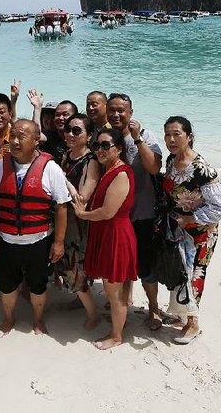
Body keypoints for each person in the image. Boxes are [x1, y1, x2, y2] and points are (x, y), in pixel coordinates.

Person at [0, 119, 70, 335]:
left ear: (36, 141)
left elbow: (62, 207)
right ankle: (8, 318)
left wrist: (59, 243)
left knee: (38, 285)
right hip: (6, 241)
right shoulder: (0, 166)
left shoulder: (50, 168)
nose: (14, 141)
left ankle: (38, 319)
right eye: (12, 135)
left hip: (39, 241)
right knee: (6, 285)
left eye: (21, 136)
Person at [161, 116, 221, 344]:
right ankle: (181, 316)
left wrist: (190, 218)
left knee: (195, 274)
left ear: (189, 136)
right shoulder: (171, 161)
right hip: (180, 230)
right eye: (168, 134)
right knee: (180, 271)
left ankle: (193, 324)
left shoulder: (202, 170)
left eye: (177, 134)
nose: (171, 139)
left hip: (201, 233)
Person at [73, 128, 137, 350]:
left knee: (114, 291)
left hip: (115, 235)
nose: (100, 150)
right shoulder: (109, 170)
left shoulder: (120, 174)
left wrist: (83, 215)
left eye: (105, 145)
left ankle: (117, 336)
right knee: (115, 288)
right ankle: (118, 328)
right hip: (108, 232)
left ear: (118, 149)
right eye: (97, 145)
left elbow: (107, 212)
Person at [106, 92, 164, 329]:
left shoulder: (145, 135)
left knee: (145, 266)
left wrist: (137, 138)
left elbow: (153, 167)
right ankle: (123, 305)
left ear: (131, 113)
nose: (117, 114)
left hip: (142, 213)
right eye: (112, 110)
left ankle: (153, 308)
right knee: (120, 264)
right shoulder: (105, 138)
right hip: (115, 215)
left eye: (122, 110)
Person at [59, 113, 101, 329]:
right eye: (68, 129)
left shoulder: (91, 161)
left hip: (79, 226)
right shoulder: (67, 156)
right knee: (72, 266)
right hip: (65, 222)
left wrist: (61, 179)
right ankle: (80, 299)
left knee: (75, 266)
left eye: (77, 130)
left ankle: (94, 314)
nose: (70, 134)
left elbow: (81, 199)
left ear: (89, 135)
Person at [41, 100, 78, 165]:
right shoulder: (48, 137)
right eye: (57, 115)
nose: (60, 118)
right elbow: (36, 137)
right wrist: (37, 108)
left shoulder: (82, 138)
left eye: (65, 114)